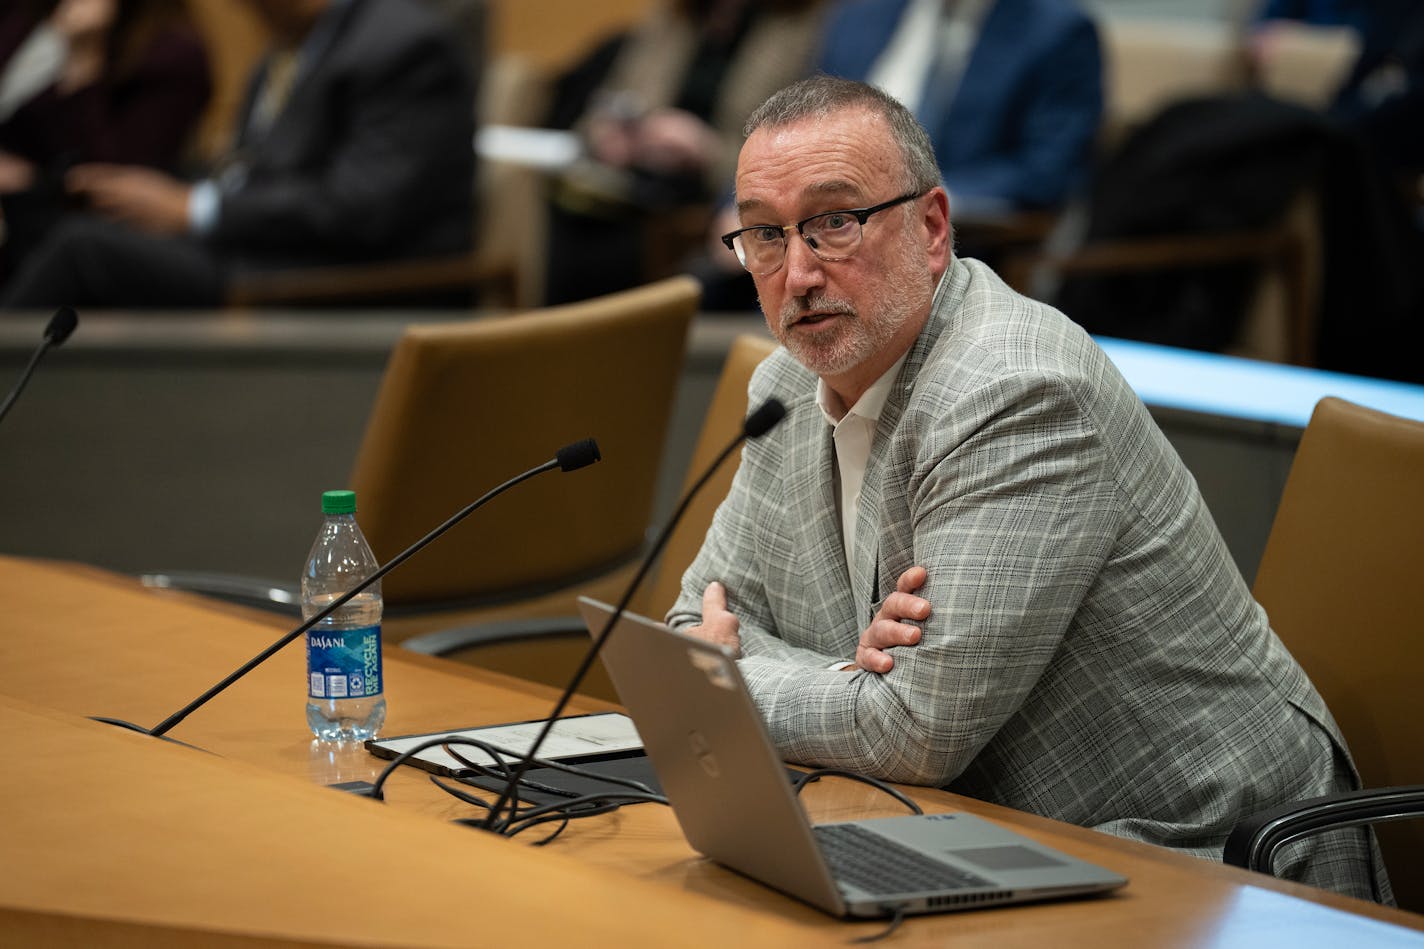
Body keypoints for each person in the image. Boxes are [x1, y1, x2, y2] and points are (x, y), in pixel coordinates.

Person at [668, 75, 1390, 902]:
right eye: (763, 233)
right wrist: (847, 675)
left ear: (932, 228)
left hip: (1200, 852)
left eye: (834, 223)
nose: (796, 273)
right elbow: (693, 622)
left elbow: (912, 730)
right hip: (977, 832)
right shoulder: (784, 391)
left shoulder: (1015, 387)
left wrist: (737, 676)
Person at [1, 0, 475, 309]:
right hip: (268, 255)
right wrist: (178, 198)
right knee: (67, 223)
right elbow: (255, 171)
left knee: (84, 250)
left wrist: (196, 208)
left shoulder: (402, 44)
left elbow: (363, 208)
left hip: (341, 277)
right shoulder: (291, 49)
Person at [540, 0, 826, 304]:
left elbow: (798, 141)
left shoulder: (804, 27)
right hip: (636, 174)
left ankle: (624, 338)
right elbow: (608, 104)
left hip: (721, 182)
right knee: (570, 215)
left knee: (616, 247)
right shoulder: (672, 18)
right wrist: (612, 135)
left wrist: (705, 148)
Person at [816, 0, 1103, 214]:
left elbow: (1049, 169)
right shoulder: (857, 15)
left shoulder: (1057, 30)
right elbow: (812, 119)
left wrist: (932, 199)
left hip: (958, 238)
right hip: (824, 214)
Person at [0, 0, 211, 284]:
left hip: (62, 231)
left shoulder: (173, 56)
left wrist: (84, 60)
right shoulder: (24, 16)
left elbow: (116, 184)